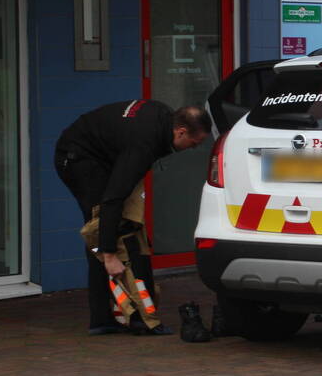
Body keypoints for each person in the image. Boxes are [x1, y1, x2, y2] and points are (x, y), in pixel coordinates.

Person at [54, 100, 211, 335]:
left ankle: (136, 315)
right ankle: (105, 319)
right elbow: (112, 200)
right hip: (78, 158)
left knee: (129, 229)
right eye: (194, 143)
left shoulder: (162, 119)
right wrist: (108, 255)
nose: (192, 148)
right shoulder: (143, 144)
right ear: (180, 131)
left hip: (106, 155)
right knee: (102, 231)